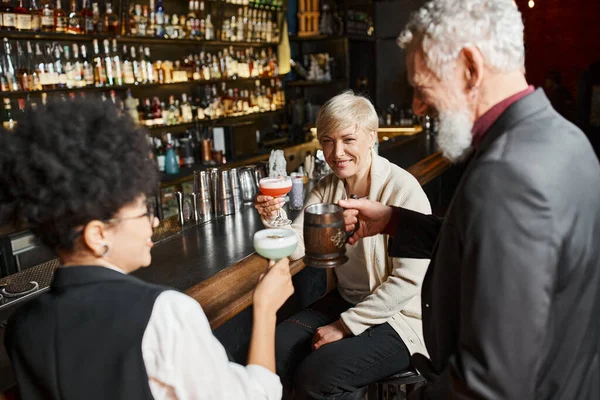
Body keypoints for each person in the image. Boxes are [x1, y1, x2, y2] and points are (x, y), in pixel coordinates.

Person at [340, 1, 600, 399]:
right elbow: (495, 247)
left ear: (470, 67)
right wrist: (395, 220)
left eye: (422, 88)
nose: (418, 107)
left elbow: (490, 382)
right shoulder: (565, 138)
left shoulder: (508, 175)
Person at [0, 98, 294, 400]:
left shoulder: (22, 329)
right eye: (142, 212)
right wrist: (266, 309)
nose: (153, 221)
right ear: (97, 234)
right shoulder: (165, 313)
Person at [254, 90, 432, 399]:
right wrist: (275, 217)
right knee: (275, 347)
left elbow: (408, 283)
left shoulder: (403, 190)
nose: (337, 153)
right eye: (327, 140)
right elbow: (300, 242)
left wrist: (345, 325)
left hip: (400, 316)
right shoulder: (327, 187)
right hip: (347, 299)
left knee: (318, 376)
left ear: (371, 137)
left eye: (348, 140)